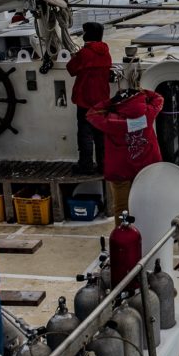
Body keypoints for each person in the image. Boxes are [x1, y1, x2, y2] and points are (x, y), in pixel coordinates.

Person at [87, 89, 164, 224]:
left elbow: (92, 113)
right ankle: (147, 234)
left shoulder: (111, 120)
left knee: (122, 207)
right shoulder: (148, 114)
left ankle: (123, 238)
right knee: (147, 205)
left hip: (120, 171)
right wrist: (142, 92)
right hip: (146, 168)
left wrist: (111, 102)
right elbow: (158, 98)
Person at [66, 22, 112, 175]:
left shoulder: (84, 54)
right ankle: (103, 166)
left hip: (85, 99)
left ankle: (85, 166)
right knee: (100, 135)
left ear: (87, 35)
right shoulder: (105, 52)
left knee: (85, 135)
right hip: (102, 99)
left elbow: (71, 69)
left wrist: (75, 55)